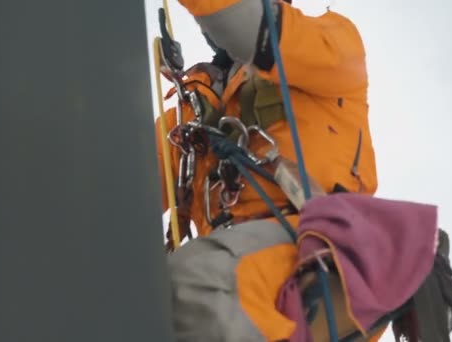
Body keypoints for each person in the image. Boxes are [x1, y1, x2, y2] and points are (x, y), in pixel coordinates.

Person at [155, 0, 386, 341]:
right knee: (143, 301)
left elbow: (245, 25)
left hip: (314, 245)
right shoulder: (188, 116)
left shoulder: (329, 43)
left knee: (187, 287)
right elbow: (116, 193)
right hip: (234, 261)